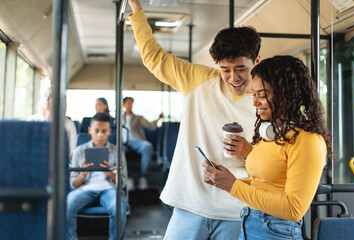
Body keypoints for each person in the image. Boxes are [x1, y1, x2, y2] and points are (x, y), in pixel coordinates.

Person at [128, 0, 261, 239]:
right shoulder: (197, 80)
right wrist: (137, 12)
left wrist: (249, 152)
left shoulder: (269, 101)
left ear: (257, 61)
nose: (233, 78)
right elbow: (154, 58)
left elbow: (277, 161)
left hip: (237, 209)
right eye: (225, 69)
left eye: (241, 68)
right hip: (191, 204)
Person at [202, 56, 333, 240]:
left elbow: (294, 208)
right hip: (251, 223)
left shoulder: (308, 140)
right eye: (254, 94)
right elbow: (263, 185)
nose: (255, 102)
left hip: (277, 231)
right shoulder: (270, 135)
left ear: (286, 95)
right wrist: (225, 181)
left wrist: (233, 186)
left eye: (262, 95)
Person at [66, 112, 128, 240]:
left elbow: (122, 183)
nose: (100, 135)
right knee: (67, 205)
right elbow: (73, 184)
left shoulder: (117, 152)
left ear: (109, 132)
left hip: (109, 190)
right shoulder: (79, 151)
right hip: (85, 190)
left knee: (118, 209)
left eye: (104, 131)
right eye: (97, 131)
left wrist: (110, 173)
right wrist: (83, 174)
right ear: (90, 130)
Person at [123, 96, 163, 190]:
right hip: (123, 143)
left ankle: (143, 177)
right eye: (128, 103)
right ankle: (128, 178)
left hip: (137, 142)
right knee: (119, 149)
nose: (130, 105)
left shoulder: (138, 118)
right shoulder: (119, 118)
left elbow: (151, 126)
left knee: (147, 146)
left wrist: (158, 118)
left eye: (131, 103)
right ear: (124, 105)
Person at [27, 87, 77, 157]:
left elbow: (73, 152)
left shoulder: (69, 124)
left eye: (51, 96)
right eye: (45, 96)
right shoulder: (32, 120)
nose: (47, 99)